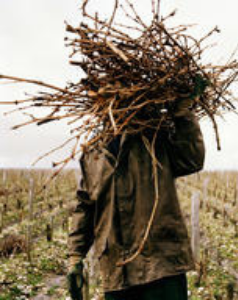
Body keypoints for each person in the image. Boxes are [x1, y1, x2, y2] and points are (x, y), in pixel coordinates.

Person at [67, 95, 204, 300]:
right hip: (116, 270)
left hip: (162, 265)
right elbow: (85, 206)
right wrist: (75, 256)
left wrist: (182, 112)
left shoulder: (155, 138)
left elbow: (192, 159)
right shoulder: (93, 153)